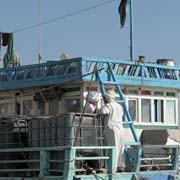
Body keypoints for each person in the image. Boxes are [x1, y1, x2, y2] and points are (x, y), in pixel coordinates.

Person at [96, 89, 125, 172]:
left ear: (107, 98)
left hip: (111, 129)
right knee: (120, 148)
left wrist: (96, 110)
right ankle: (120, 166)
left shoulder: (109, 106)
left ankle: (112, 166)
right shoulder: (119, 106)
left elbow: (103, 111)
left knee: (111, 148)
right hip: (120, 129)